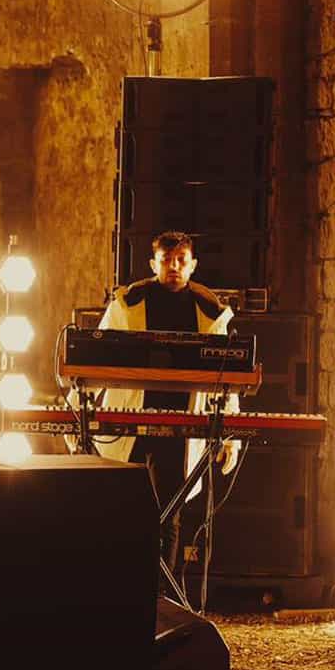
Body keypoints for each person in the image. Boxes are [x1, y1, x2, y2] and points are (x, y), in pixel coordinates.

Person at [92, 230, 241, 573]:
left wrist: (230, 435)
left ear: (193, 265)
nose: (174, 266)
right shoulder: (128, 303)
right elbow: (95, 357)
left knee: (169, 514)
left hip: (180, 428)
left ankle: (164, 594)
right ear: (153, 263)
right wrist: (75, 408)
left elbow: (227, 376)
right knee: (127, 509)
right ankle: (127, 586)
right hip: (131, 421)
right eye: (166, 260)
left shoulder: (209, 311)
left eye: (181, 261)